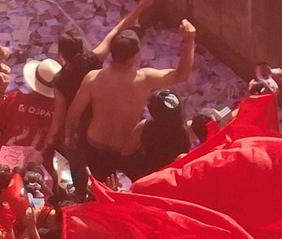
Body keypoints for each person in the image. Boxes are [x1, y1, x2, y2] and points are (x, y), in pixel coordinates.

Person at [64, 20, 196, 186]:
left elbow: (73, 114)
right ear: (136, 55)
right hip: (127, 149)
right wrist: (189, 40)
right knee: (138, 187)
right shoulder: (144, 79)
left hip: (97, 145)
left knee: (102, 189)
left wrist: (69, 137)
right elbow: (181, 75)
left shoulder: (93, 78)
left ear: (112, 52)